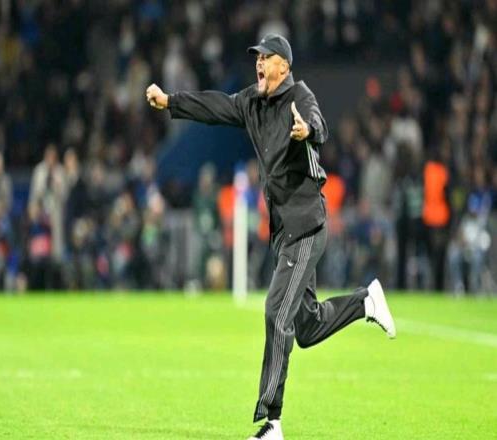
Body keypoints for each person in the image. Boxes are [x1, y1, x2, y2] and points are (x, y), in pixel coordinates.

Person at [146, 33, 396, 440]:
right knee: (307, 328)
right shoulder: (252, 101)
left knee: (276, 312)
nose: (258, 63)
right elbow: (216, 105)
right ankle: (365, 301)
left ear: (284, 65)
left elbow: (319, 126)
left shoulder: (301, 96)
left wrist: (306, 130)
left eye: (265, 57)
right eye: (257, 58)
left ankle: (272, 423)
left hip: (307, 226)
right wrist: (170, 101)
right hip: (285, 229)